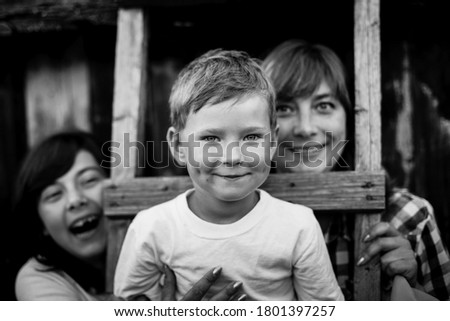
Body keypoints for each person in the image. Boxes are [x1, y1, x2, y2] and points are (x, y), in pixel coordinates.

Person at [114, 49, 344, 301]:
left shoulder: (299, 227)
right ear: (179, 146)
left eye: (251, 137)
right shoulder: (152, 229)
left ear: (273, 140)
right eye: (211, 138)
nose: (233, 156)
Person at [262, 39, 450, 300]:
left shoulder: (408, 218)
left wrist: (411, 293)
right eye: (283, 108)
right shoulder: (225, 217)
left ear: (351, 120)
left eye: (323, 105)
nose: (305, 128)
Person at [13, 131, 246, 301]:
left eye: (89, 180)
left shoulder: (166, 246)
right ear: (39, 222)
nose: (75, 200)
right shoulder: (38, 278)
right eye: (54, 194)